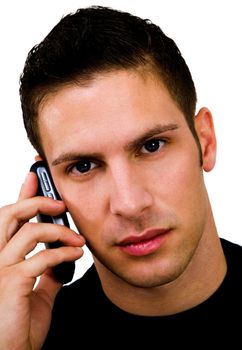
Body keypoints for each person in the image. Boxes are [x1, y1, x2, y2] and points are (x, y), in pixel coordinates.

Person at [0, 5, 241, 349]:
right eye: (83, 166)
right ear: (48, 187)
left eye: (152, 145)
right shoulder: (24, 335)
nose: (129, 204)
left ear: (206, 141)